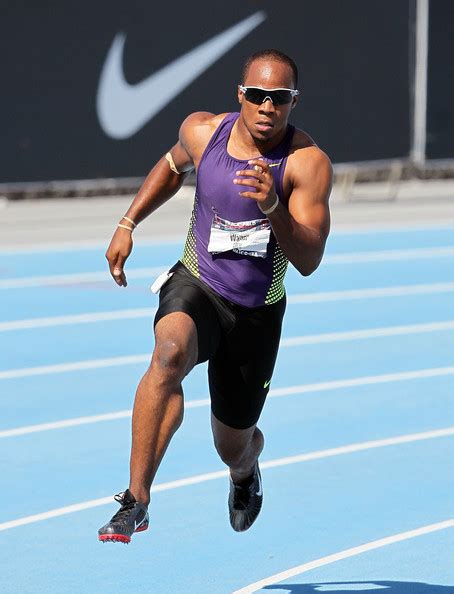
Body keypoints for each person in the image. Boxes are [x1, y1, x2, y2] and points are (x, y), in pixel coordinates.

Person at [98, 49, 332, 543]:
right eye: (258, 96)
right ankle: (136, 498)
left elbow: (309, 260)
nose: (267, 107)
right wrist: (128, 222)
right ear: (240, 95)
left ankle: (245, 472)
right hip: (199, 282)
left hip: (256, 313)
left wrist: (272, 204)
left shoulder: (306, 165)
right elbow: (170, 165)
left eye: (280, 98)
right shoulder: (204, 133)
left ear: (294, 101)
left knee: (232, 445)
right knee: (169, 352)